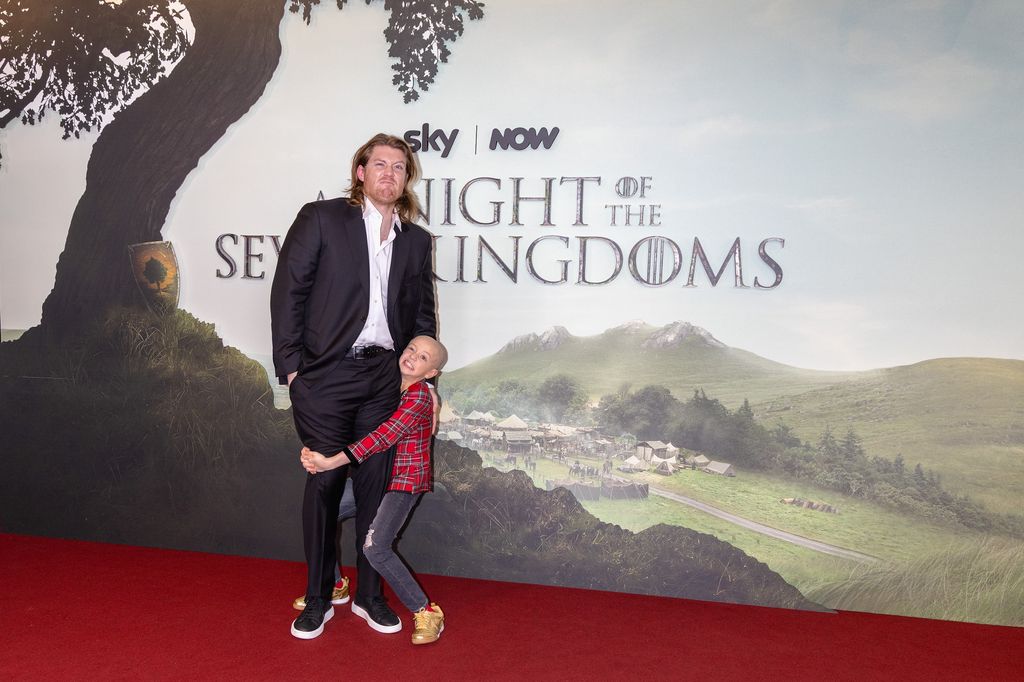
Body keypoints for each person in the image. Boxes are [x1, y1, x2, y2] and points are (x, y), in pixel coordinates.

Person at [271, 133, 437, 640]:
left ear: (407, 179)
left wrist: (420, 379)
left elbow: (423, 314)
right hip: (325, 376)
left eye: (399, 167)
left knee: (374, 484)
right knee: (322, 483)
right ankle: (320, 597)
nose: (389, 174)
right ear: (360, 172)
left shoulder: (415, 239)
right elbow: (288, 292)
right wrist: (294, 370)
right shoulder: (322, 218)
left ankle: (368, 596)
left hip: (386, 376)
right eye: (379, 164)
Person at [300, 335, 448, 645]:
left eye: (423, 358)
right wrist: (312, 450)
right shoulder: (385, 381)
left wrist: (331, 462)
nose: (411, 357)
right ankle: (334, 583)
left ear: (431, 373)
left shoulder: (420, 397)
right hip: (373, 478)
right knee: (321, 513)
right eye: (411, 349)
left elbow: (382, 436)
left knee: (374, 547)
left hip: (401, 484)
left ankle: (425, 610)